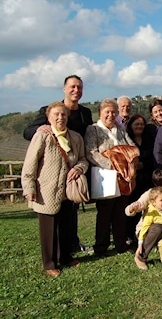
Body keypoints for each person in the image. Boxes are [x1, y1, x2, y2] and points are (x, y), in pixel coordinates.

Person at [23, 74, 93, 254]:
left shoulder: (85, 113)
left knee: (71, 211)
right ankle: (56, 253)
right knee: (53, 215)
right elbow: (27, 131)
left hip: (75, 168)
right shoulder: (50, 110)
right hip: (52, 171)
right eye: (72, 87)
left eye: (79, 87)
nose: (76, 90)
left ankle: (71, 245)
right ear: (64, 89)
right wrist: (41, 128)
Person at [22, 101, 89, 277]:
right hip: (46, 190)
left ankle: (65, 257)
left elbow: (83, 159)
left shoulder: (75, 137)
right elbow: (30, 163)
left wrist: (78, 168)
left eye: (63, 115)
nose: (60, 118)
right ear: (49, 117)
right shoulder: (42, 136)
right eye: (56, 115)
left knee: (66, 226)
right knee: (49, 229)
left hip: (68, 190)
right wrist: (29, 187)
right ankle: (50, 263)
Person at [85, 98, 138, 257]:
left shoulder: (120, 130)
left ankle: (120, 244)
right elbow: (91, 152)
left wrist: (131, 164)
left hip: (122, 178)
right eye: (107, 111)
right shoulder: (93, 130)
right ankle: (101, 246)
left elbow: (132, 148)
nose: (110, 115)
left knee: (120, 212)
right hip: (105, 177)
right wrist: (114, 164)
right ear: (100, 113)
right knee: (104, 214)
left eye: (113, 112)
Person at [125, 114, 154, 245]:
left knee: (147, 206)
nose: (139, 126)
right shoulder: (128, 140)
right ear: (130, 126)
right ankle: (132, 235)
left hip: (147, 178)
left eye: (142, 124)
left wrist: (143, 164)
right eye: (136, 124)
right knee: (135, 206)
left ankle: (147, 233)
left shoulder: (148, 139)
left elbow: (153, 156)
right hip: (134, 179)